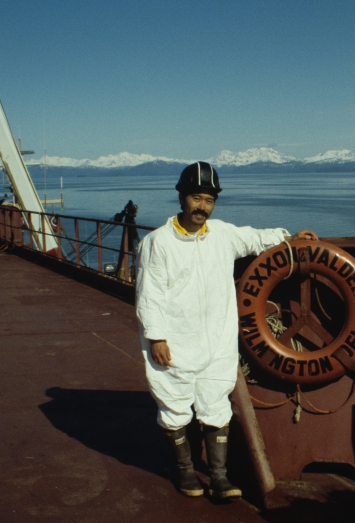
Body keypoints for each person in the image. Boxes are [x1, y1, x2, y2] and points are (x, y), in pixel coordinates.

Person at [135, 161, 317, 500]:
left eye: (209, 199)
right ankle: (186, 473)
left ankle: (218, 477)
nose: (202, 206)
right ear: (181, 197)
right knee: (174, 404)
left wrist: (287, 238)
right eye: (196, 198)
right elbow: (149, 293)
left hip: (217, 340)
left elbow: (254, 238)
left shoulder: (222, 235)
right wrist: (156, 335)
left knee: (215, 404)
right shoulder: (158, 243)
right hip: (174, 339)